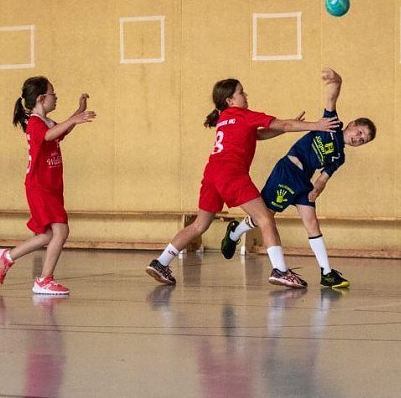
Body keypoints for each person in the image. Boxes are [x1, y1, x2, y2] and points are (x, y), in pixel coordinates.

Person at [145, 77, 340, 288]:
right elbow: (282, 124)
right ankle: (280, 271)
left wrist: (287, 127)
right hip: (231, 173)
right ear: (230, 100)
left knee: (200, 224)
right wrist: (316, 125)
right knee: (265, 218)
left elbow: (259, 136)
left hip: (212, 173)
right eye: (241, 92)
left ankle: (161, 262)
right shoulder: (244, 115)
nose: (245, 95)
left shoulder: (224, 118)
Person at [221, 68, 376, 289]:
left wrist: (316, 190)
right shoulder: (330, 126)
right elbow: (331, 98)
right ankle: (235, 232)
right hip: (288, 171)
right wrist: (337, 81)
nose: (360, 138)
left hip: (304, 181)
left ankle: (327, 272)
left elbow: (324, 177)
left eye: (365, 140)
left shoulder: (339, 157)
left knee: (312, 222)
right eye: (359, 132)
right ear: (350, 125)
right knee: (265, 217)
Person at [0, 76, 96, 295]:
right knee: (62, 230)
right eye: (53, 94)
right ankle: (44, 280)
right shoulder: (35, 124)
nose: (56, 97)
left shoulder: (46, 122)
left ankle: (8, 256)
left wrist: (77, 112)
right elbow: (49, 135)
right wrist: (74, 120)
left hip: (50, 186)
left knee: (49, 235)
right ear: (41, 98)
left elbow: (60, 132)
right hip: (39, 186)